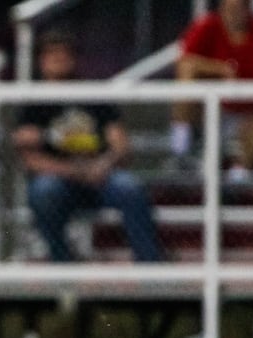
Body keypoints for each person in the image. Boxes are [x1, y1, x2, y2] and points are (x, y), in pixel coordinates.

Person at [12, 30, 165, 262]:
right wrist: (75, 171)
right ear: (41, 62)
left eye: (64, 55)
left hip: (101, 178)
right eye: (52, 55)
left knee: (129, 187)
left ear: (74, 59)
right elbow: (31, 159)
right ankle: (62, 264)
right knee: (43, 191)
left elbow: (121, 145)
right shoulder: (33, 104)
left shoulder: (94, 96)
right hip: (61, 180)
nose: (59, 60)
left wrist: (103, 165)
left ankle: (151, 264)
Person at [168, 0, 253, 179]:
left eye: (240, 8)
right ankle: (181, 149)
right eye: (230, 8)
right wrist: (222, 69)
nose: (234, 14)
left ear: (249, 9)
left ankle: (237, 179)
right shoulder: (208, 26)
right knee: (187, 76)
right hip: (208, 112)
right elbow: (185, 64)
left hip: (248, 115)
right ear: (221, 8)